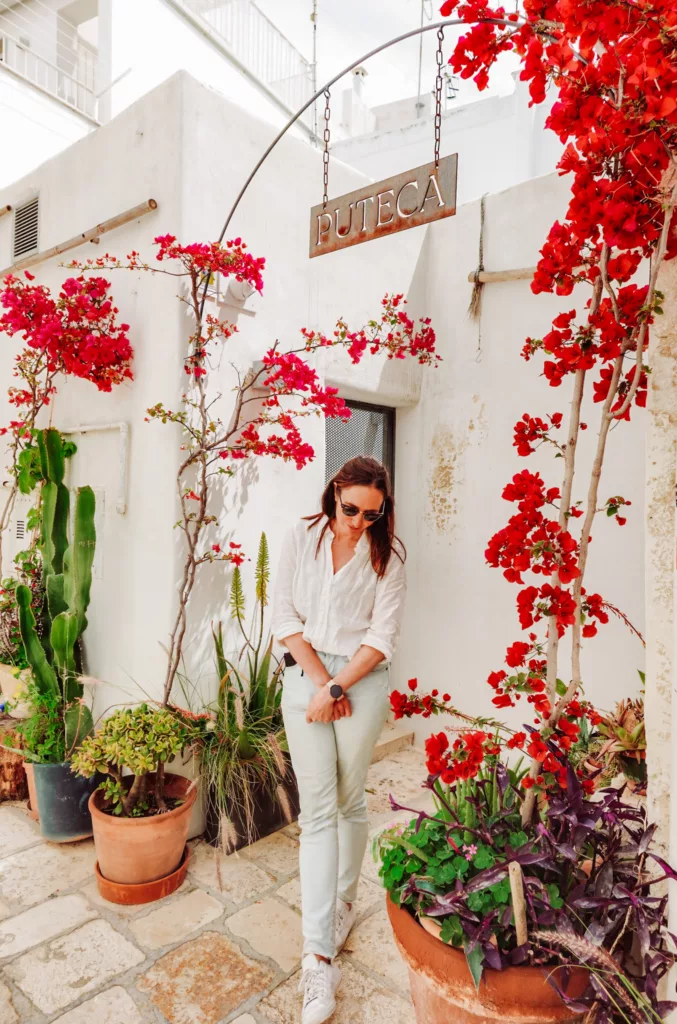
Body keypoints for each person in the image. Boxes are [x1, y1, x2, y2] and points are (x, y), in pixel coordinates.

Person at [271, 455, 407, 1024]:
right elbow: (283, 613)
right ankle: (317, 958)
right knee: (319, 812)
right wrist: (322, 686)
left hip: (363, 679)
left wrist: (340, 684)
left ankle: (344, 903)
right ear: (334, 494)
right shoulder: (300, 537)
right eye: (350, 509)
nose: (357, 522)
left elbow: (382, 635)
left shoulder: (388, 556)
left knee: (352, 799)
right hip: (307, 676)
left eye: (371, 515)